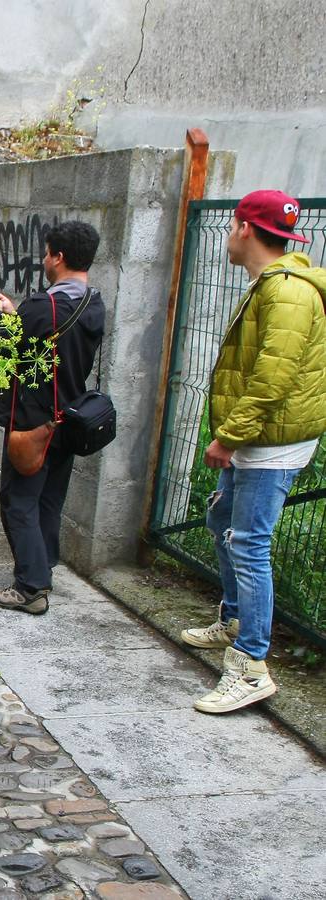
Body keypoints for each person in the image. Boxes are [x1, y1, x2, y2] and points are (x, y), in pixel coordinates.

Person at [180, 190, 326, 714]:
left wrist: (230, 436)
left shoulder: (286, 290)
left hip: (271, 443)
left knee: (248, 543)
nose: (228, 236)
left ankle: (250, 665)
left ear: (244, 228)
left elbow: (273, 378)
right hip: (262, 437)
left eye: (232, 227)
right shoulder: (274, 284)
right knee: (222, 519)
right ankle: (236, 620)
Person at [0, 220, 105, 615]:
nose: (43, 260)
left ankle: (30, 588)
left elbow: (8, 352)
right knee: (50, 499)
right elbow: (46, 339)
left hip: (32, 421)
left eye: (47, 253)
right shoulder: (93, 303)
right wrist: (15, 313)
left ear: (59, 256)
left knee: (18, 500)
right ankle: (44, 565)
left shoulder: (43, 306)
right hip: (68, 418)